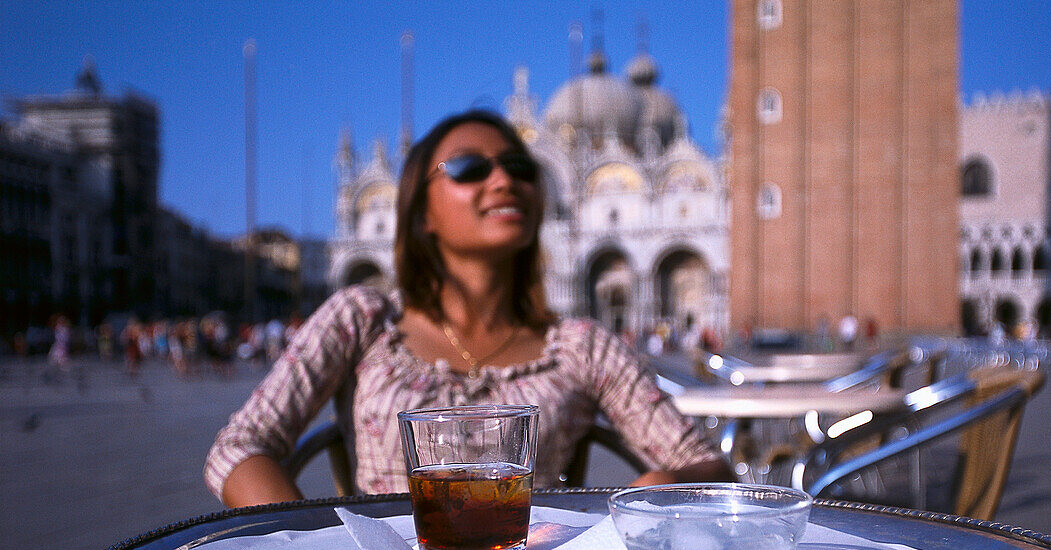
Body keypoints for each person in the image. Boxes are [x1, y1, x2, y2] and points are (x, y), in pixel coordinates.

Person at [206, 110, 731, 507]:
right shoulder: (361, 321)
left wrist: (658, 488)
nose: (503, 180)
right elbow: (238, 448)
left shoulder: (582, 347)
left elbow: (708, 467)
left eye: (521, 167)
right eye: (469, 168)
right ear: (420, 210)